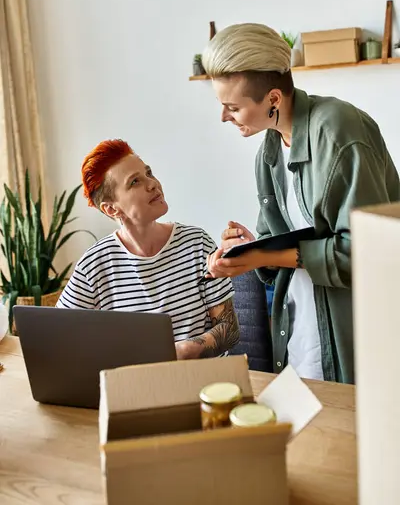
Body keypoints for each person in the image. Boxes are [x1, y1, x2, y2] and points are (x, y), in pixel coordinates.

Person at [202, 23, 399, 383]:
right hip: (303, 332)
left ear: (273, 99)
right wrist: (249, 248)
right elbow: (279, 245)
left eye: (233, 107)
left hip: (358, 334)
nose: (224, 117)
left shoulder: (341, 131)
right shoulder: (269, 152)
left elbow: (369, 251)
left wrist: (263, 256)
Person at [56, 139, 238, 360]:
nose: (152, 184)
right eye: (134, 182)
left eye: (148, 173)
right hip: (136, 387)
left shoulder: (196, 243)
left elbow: (229, 330)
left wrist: (182, 351)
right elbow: (61, 339)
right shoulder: (94, 265)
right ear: (112, 209)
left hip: (207, 386)